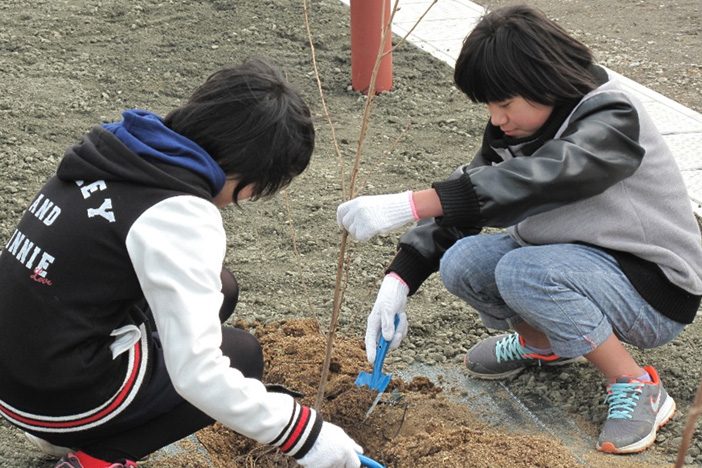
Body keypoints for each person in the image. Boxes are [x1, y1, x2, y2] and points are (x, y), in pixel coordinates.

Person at [336, 4, 702, 455]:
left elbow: (546, 176)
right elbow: (474, 194)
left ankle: (635, 383)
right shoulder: (514, 129)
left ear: (541, 82)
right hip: (578, 262)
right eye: (489, 105)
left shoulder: (611, 117)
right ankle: (544, 344)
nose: (495, 118)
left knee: (523, 271)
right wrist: (399, 279)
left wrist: (411, 202)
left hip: (652, 288)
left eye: (504, 103)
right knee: (463, 262)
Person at [0, 58, 363, 468]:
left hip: (14, 371)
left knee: (220, 288)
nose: (244, 200)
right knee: (241, 357)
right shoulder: (177, 213)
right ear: (246, 170)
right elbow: (198, 375)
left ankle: (58, 434)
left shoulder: (120, 150)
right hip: (54, 395)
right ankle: (93, 459)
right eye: (256, 188)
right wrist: (305, 435)